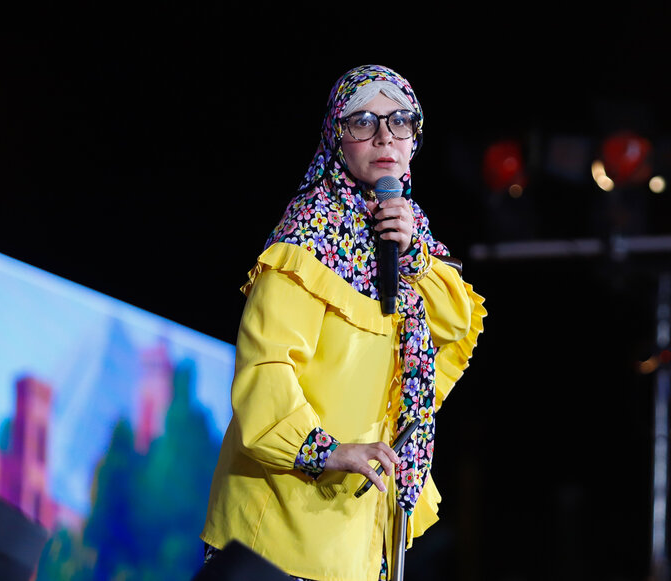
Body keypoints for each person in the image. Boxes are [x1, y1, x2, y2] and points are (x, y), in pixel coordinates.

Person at [201, 65, 487, 581]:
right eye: (363, 121)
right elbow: (264, 371)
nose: (385, 137)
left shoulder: (408, 235)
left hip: (357, 532)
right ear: (337, 136)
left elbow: (449, 327)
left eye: (400, 121)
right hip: (280, 527)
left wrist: (414, 256)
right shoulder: (308, 235)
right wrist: (325, 449)